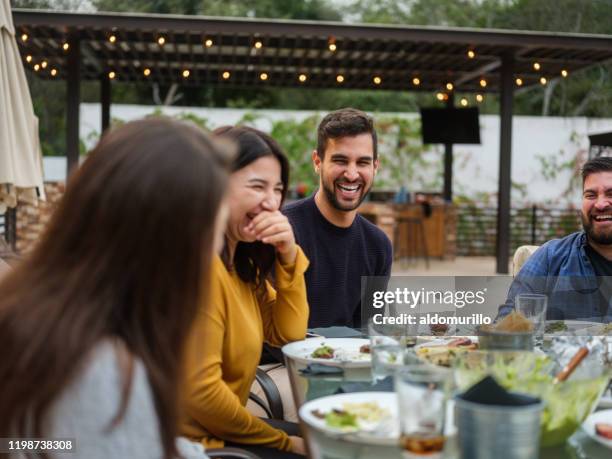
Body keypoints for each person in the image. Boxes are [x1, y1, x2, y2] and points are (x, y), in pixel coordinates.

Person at [0, 118, 232, 459]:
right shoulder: (103, 374)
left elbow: (31, 443)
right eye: (214, 237)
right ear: (169, 250)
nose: (214, 258)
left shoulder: (39, 310)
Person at [180, 126, 309, 458]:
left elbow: (288, 334)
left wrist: (289, 255)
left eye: (278, 189)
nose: (271, 202)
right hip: (198, 446)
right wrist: (283, 441)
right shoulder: (204, 266)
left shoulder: (242, 264)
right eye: (257, 186)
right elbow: (204, 395)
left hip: (224, 433)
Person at [283, 107, 393, 328]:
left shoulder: (378, 246)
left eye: (362, 162)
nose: (352, 174)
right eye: (341, 161)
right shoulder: (285, 232)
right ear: (317, 162)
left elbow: (367, 330)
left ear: (375, 166)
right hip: (280, 362)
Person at [500, 156, 612, 322]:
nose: (600, 204)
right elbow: (509, 322)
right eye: (591, 195)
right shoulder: (550, 257)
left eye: (610, 194)